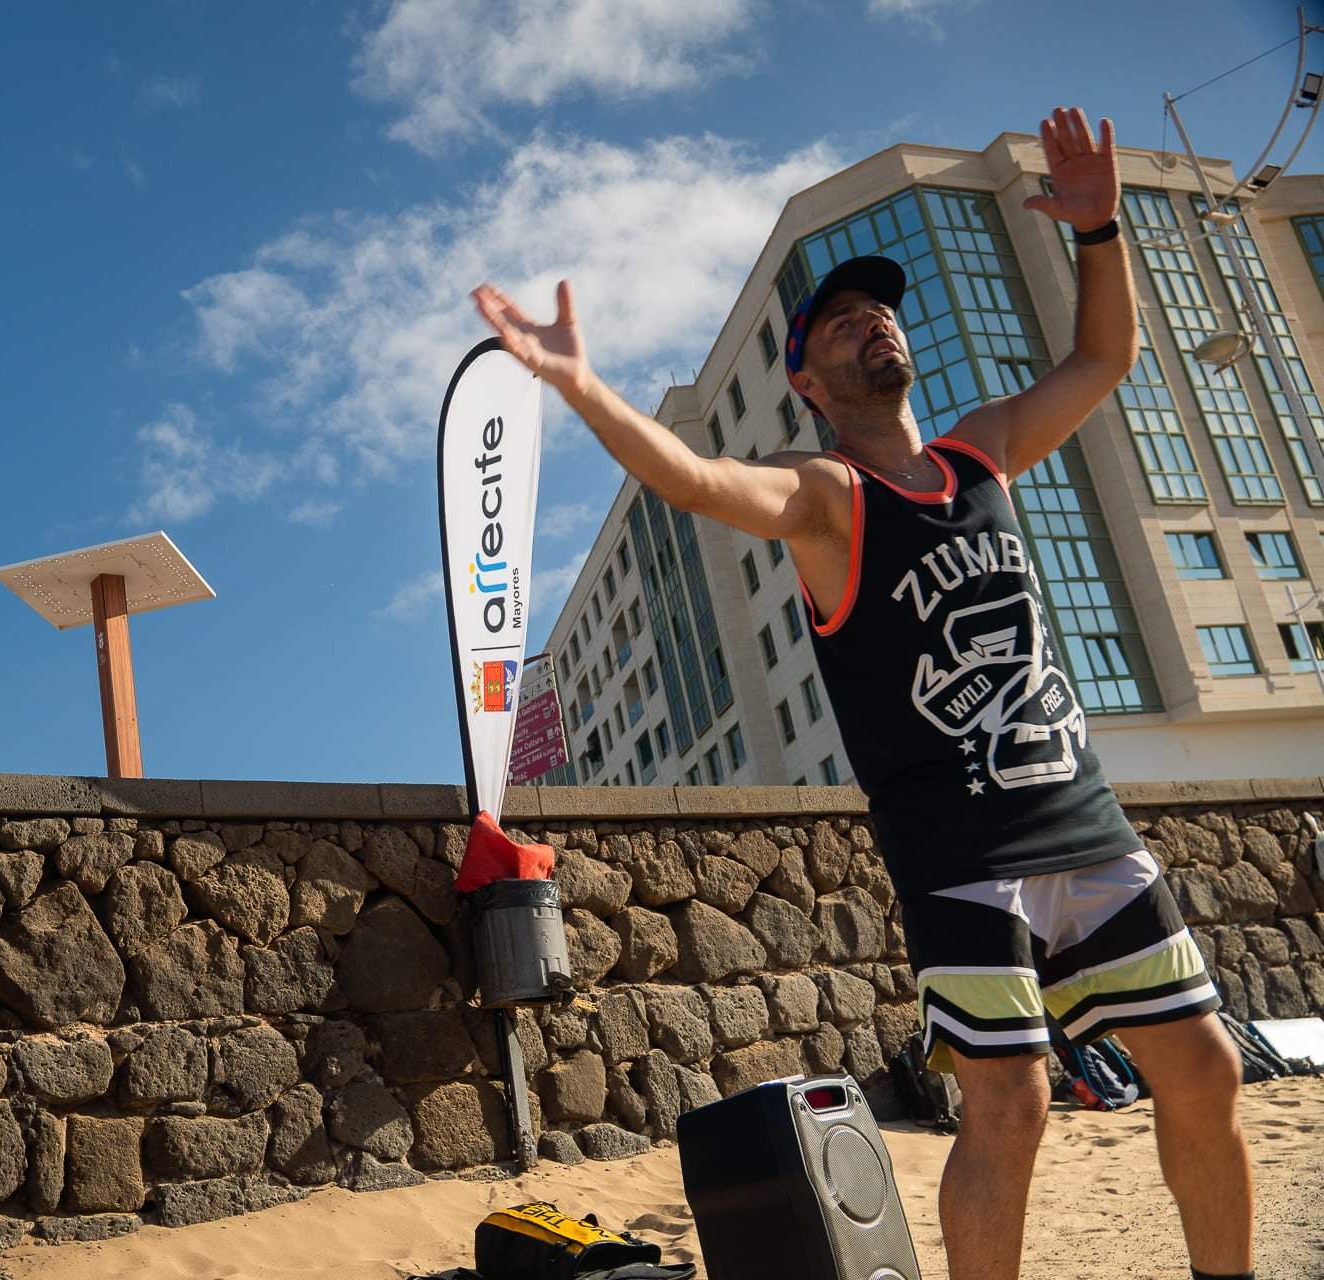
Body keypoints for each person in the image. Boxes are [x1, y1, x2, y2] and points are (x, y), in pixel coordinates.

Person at [474, 108, 1252, 1280]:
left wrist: (1100, 232)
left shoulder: (981, 450)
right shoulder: (824, 494)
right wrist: (583, 386)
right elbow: (691, 475)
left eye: (879, 310)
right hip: (961, 850)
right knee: (1012, 1103)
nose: (871, 322)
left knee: (1207, 1068)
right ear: (806, 376)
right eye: (840, 323)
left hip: (1085, 820)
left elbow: (1102, 361)